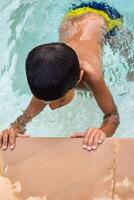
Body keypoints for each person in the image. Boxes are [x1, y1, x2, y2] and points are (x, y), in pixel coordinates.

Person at [0, 1, 122, 151]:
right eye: (47, 101)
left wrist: (101, 132)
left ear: (79, 77)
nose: (52, 107)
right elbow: (27, 115)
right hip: (73, 17)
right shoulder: (50, 76)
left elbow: (112, 115)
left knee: (129, 67)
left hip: (106, 19)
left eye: (60, 99)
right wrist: (14, 129)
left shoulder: (92, 75)